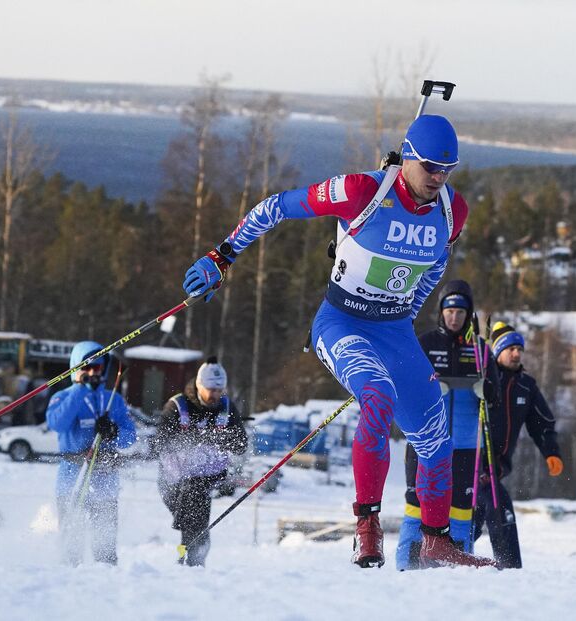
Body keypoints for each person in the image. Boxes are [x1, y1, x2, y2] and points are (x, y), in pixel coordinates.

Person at [183, 115, 497, 569]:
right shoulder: (361, 191)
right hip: (342, 323)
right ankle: (366, 528)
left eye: (448, 169)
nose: (438, 177)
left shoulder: (453, 210)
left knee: (434, 436)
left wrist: (407, 314)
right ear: (408, 157)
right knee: (378, 396)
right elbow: (278, 206)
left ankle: (436, 539)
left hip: (394, 330)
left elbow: (433, 269)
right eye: (429, 166)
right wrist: (224, 254)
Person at [395, 279, 501, 569]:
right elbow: (403, 386)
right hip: (425, 443)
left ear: (469, 315)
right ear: (441, 312)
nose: (454, 317)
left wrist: (486, 389)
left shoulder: (480, 350)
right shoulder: (426, 343)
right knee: (416, 508)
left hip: (466, 445)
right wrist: (429, 388)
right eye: (449, 311)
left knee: (461, 512)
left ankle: (458, 568)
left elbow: (495, 397)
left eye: (461, 312)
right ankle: (405, 565)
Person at [473, 322, 563, 568]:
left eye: (519, 349)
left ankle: (456, 558)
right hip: (470, 468)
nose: (516, 354)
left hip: (496, 470)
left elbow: (542, 423)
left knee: (475, 518)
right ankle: (509, 569)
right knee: (498, 508)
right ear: (498, 351)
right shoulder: (484, 378)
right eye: (510, 348)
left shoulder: (527, 386)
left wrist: (551, 453)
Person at [46, 340, 137, 566]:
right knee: (71, 548)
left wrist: (113, 432)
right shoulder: (63, 396)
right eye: (86, 367)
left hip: (105, 483)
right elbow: (57, 423)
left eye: (97, 368)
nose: (92, 373)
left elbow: (130, 437)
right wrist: (79, 389)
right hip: (72, 481)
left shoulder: (113, 399)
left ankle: (105, 587)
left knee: (104, 550)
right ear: (76, 368)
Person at [155, 357, 248, 567]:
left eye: (219, 389)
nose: (215, 394)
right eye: (210, 389)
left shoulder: (226, 407)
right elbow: (158, 443)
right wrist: (195, 438)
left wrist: (223, 439)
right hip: (173, 481)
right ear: (199, 385)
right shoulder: (177, 405)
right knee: (193, 519)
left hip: (207, 479)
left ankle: (189, 558)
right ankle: (190, 558)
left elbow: (241, 444)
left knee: (194, 521)